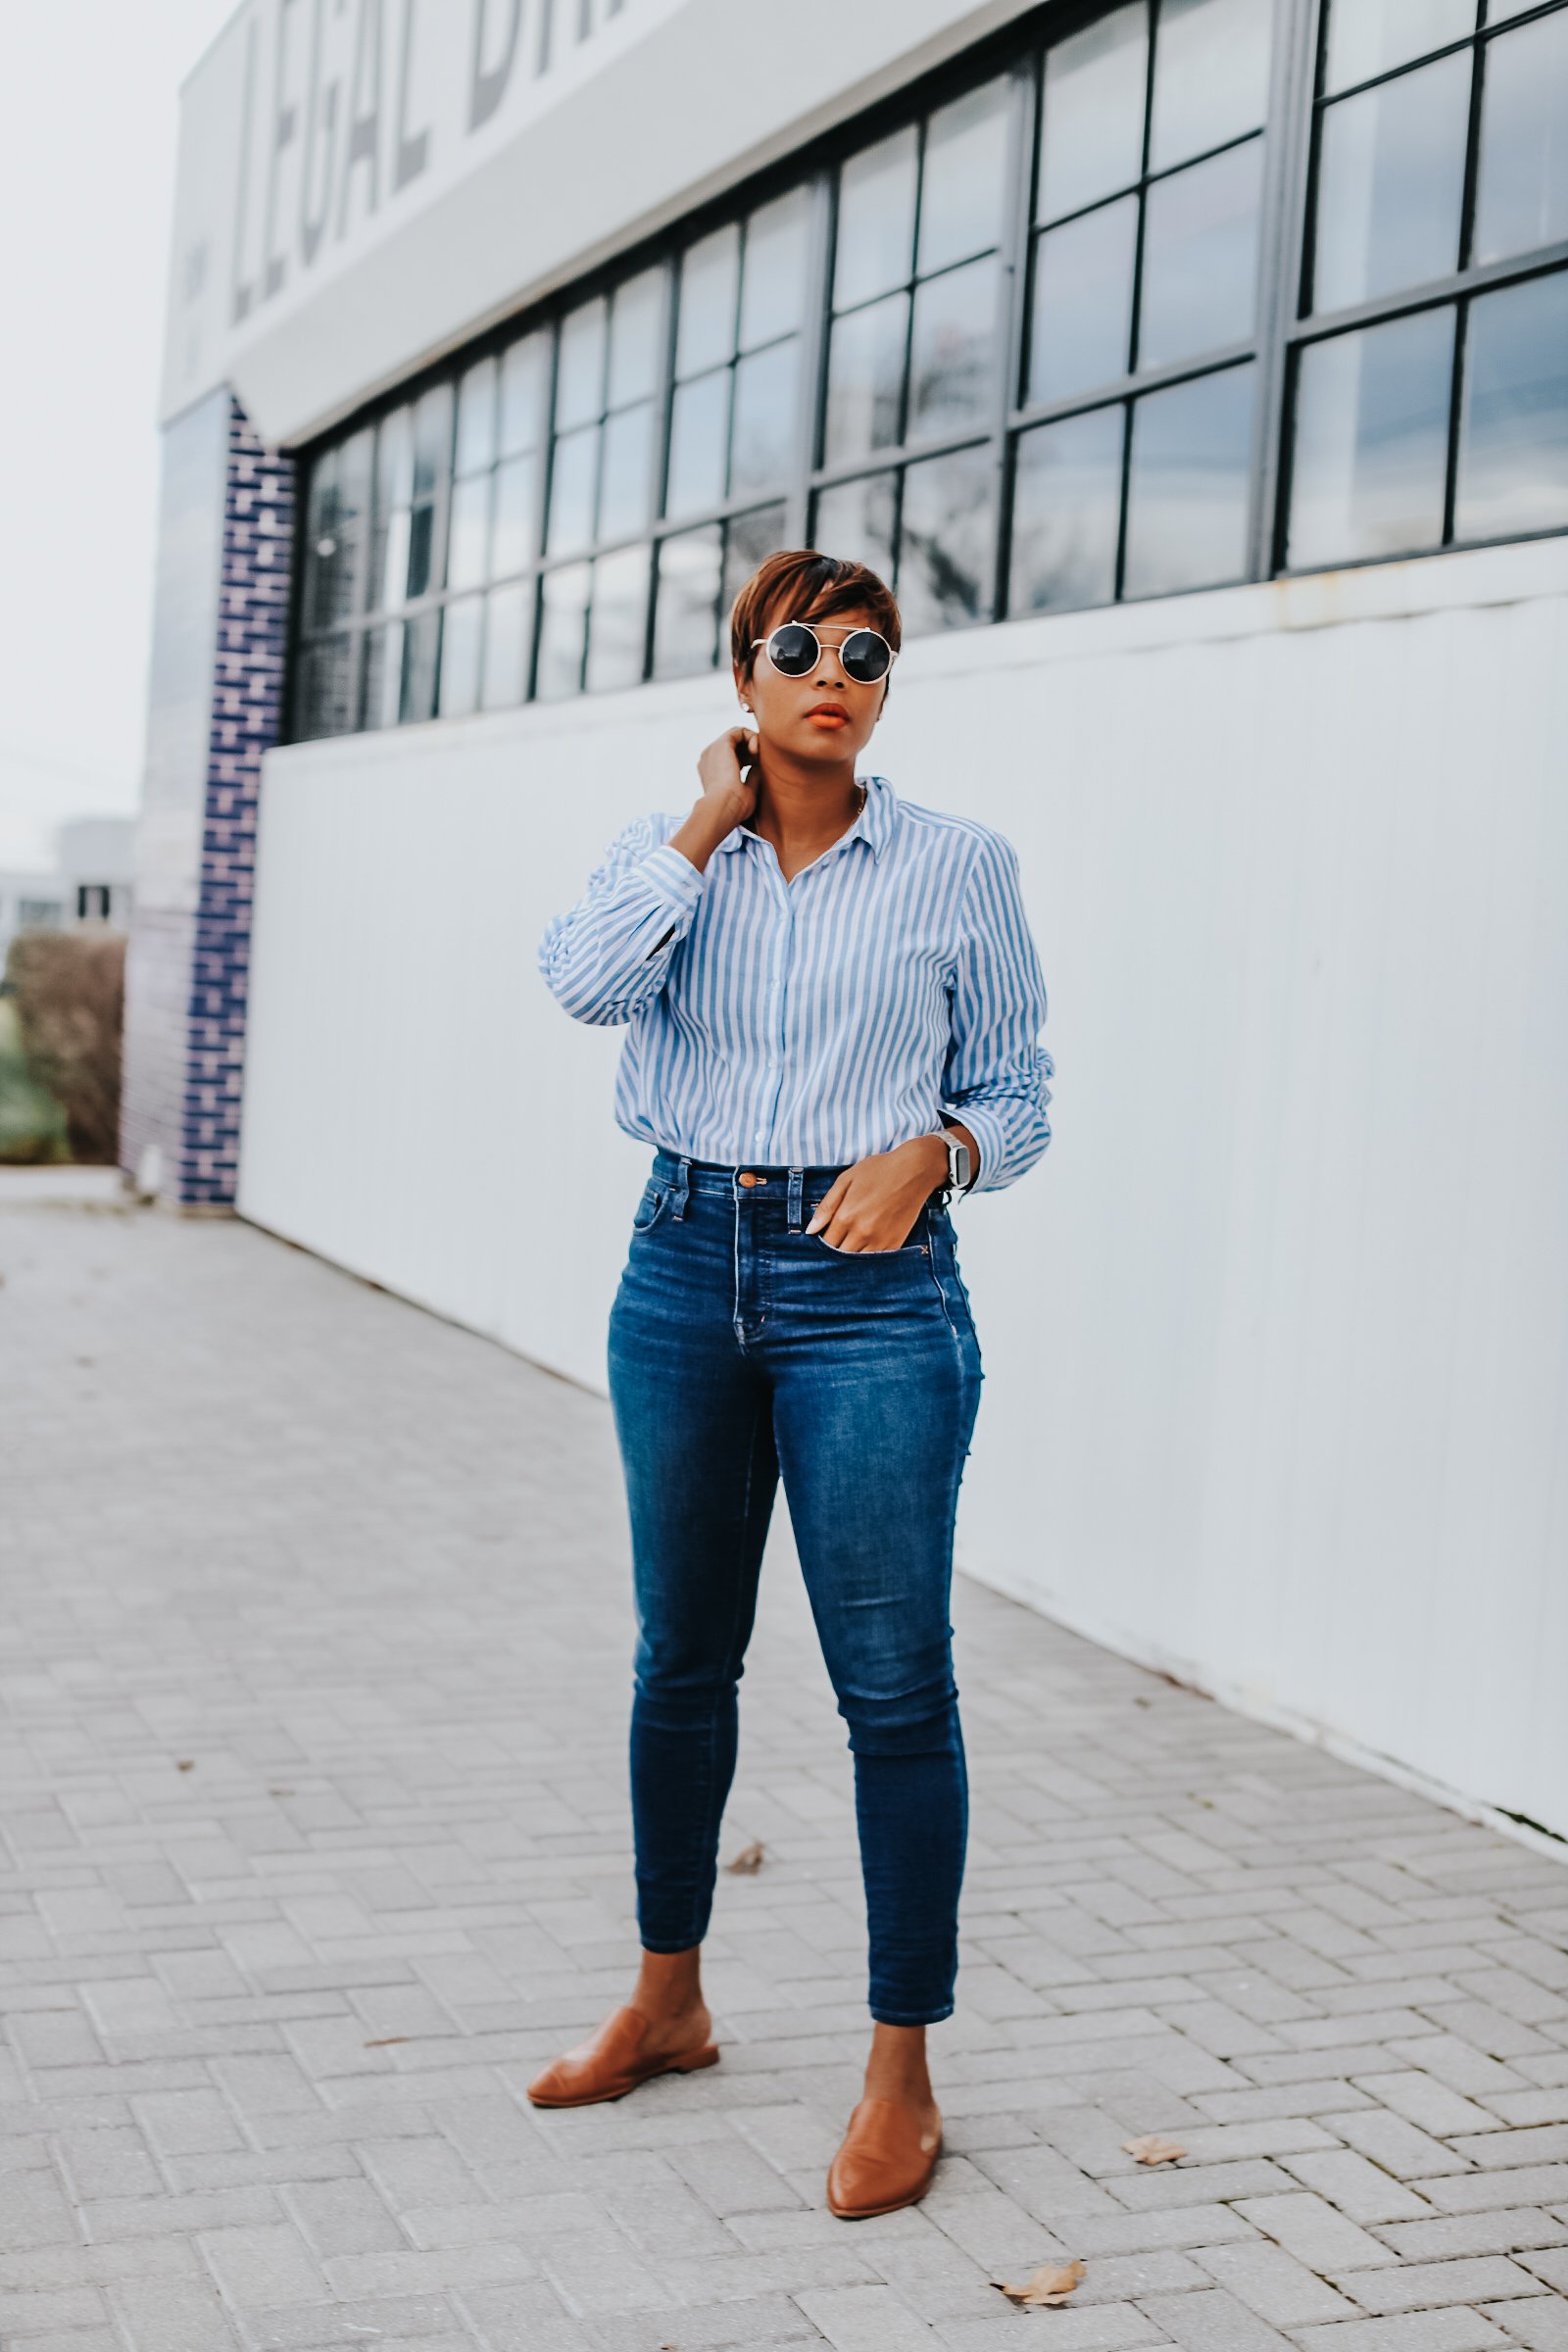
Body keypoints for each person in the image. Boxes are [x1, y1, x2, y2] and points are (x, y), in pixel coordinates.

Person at [530, 548, 1052, 2219]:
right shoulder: (669, 856)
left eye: (870, 652)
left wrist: (941, 1151)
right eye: (800, 647)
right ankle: (668, 1997)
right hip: (682, 1266)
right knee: (682, 1657)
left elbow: (1025, 1086)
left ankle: (904, 2074)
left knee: (895, 1687)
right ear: (744, 682)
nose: (838, 671)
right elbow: (583, 984)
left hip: (875, 1298)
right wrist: (704, 824)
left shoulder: (962, 866)